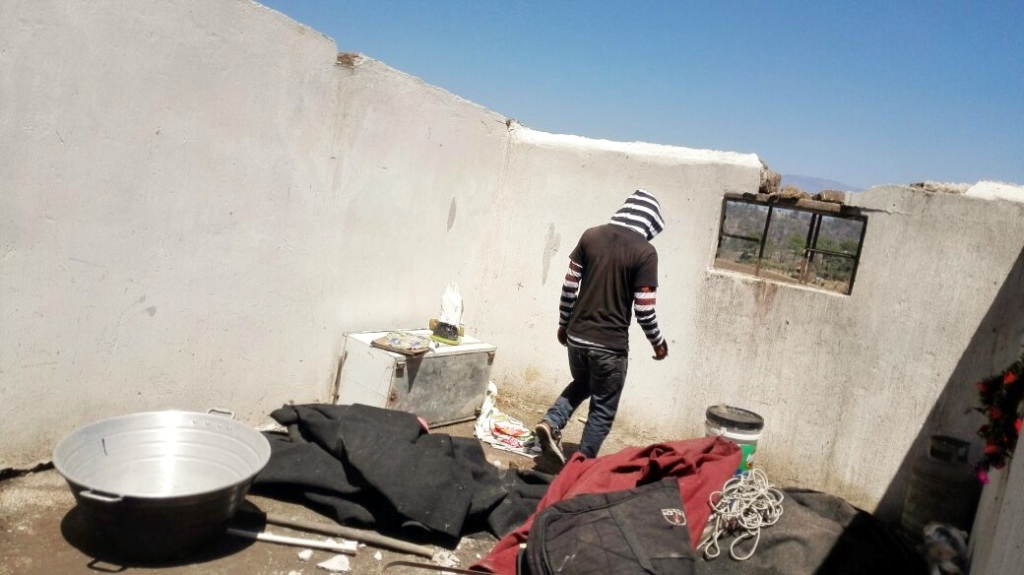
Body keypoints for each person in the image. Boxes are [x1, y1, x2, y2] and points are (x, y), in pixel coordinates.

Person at [534, 189, 668, 472]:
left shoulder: (590, 236)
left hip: (577, 339)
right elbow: (644, 310)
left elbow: (569, 285)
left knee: (582, 383)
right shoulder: (645, 252)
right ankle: (579, 468)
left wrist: (563, 324)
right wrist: (658, 343)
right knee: (603, 409)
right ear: (649, 221)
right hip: (610, 347)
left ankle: (551, 423)